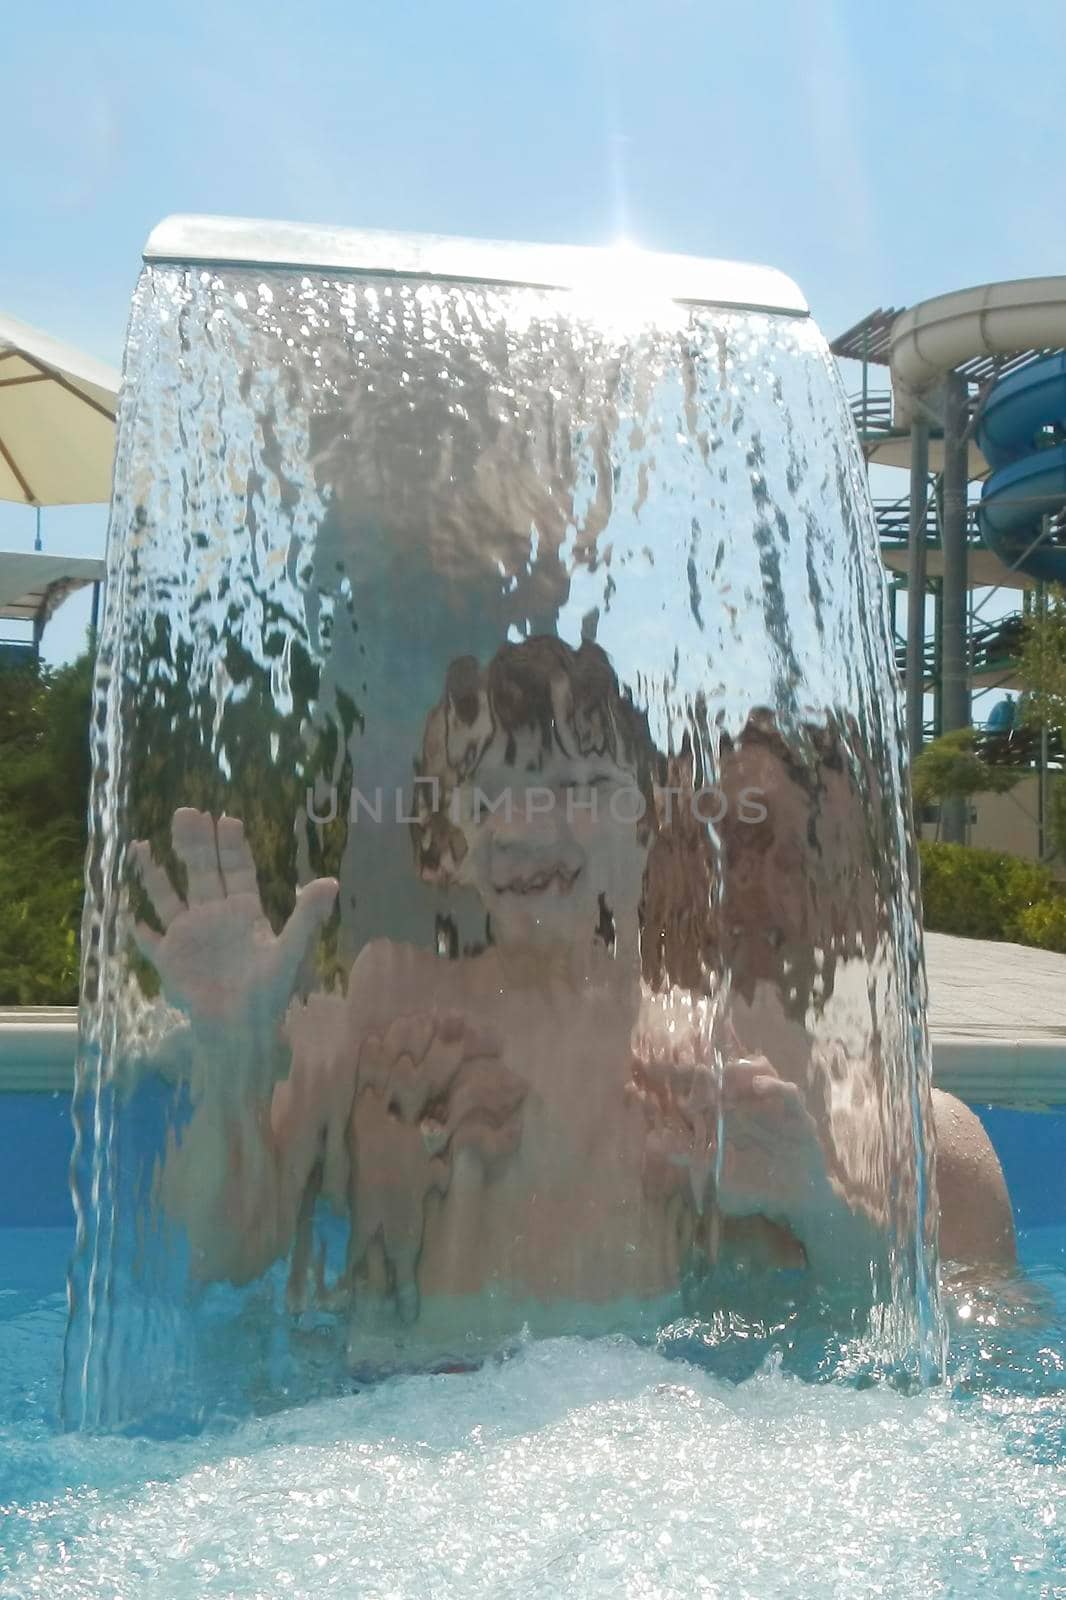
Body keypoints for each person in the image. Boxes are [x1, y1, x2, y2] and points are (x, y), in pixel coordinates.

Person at [130, 643, 1013, 1367]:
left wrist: (814, 1213)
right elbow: (223, 1247)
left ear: (642, 820)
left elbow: (873, 1324)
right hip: (396, 1441)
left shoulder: (699, 1043)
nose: (528, 823)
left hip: (613, 1443)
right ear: (449, 840)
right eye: (493, 792)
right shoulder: (386, 1000)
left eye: (578, 787)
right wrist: (230, 1059)